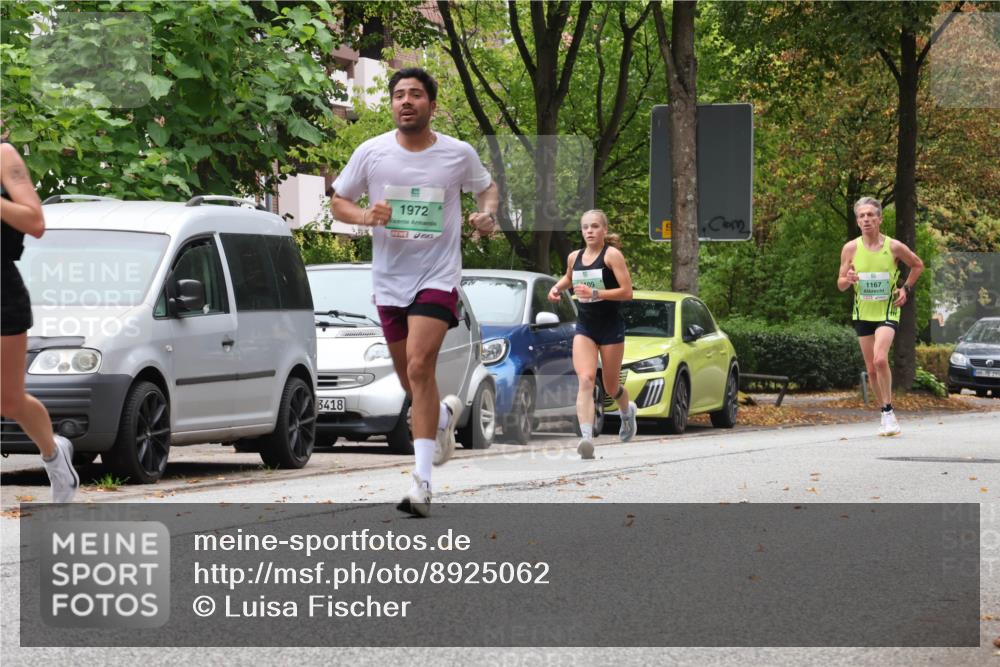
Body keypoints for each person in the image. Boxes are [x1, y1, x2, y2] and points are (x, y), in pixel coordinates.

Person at [330, 67, 498, 517]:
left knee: (422, 366)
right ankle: (443, 418)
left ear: (432, 105)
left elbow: (487, 190)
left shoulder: (457, 154)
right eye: (399, 94)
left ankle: (421, 484)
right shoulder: (372, 152)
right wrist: (365, 216)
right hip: (389, 281)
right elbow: (338, 200)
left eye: (416, 95)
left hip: (438, 277)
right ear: (391, 104)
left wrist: (487, 216)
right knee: (411, 381)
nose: (406, 101)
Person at [0, 140, 79, 501]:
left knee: (10, 400)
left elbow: (35, 221)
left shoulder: (4, 156)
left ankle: (53, 453)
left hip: (3, 291)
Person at [549, 209, 635, 459]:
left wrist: (597, 294)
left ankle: (627, 413)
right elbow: (568, 278)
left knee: (610, 386)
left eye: (595, 226)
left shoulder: (612, 256)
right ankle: (586, 439)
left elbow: (627, 292)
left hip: (610, 327)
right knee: (586, 379)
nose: (589, 231)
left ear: (604, 230)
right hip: (585, 327)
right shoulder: (574, 257)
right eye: (586, 227)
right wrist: (556, 288)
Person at [837, 196, 924, 437]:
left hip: (887, 310)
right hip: (862, 312)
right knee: (871, 370)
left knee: (880, 360)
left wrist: (905, 289)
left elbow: (917, 265)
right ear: (857, 221)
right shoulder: (850, 248)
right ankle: (885, 411)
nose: (866, 219)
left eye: (870, 215)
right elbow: (841, 284)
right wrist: (849, 280)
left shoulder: (893, 246)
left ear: (879, 219)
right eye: (861, 216)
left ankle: (888, 412)